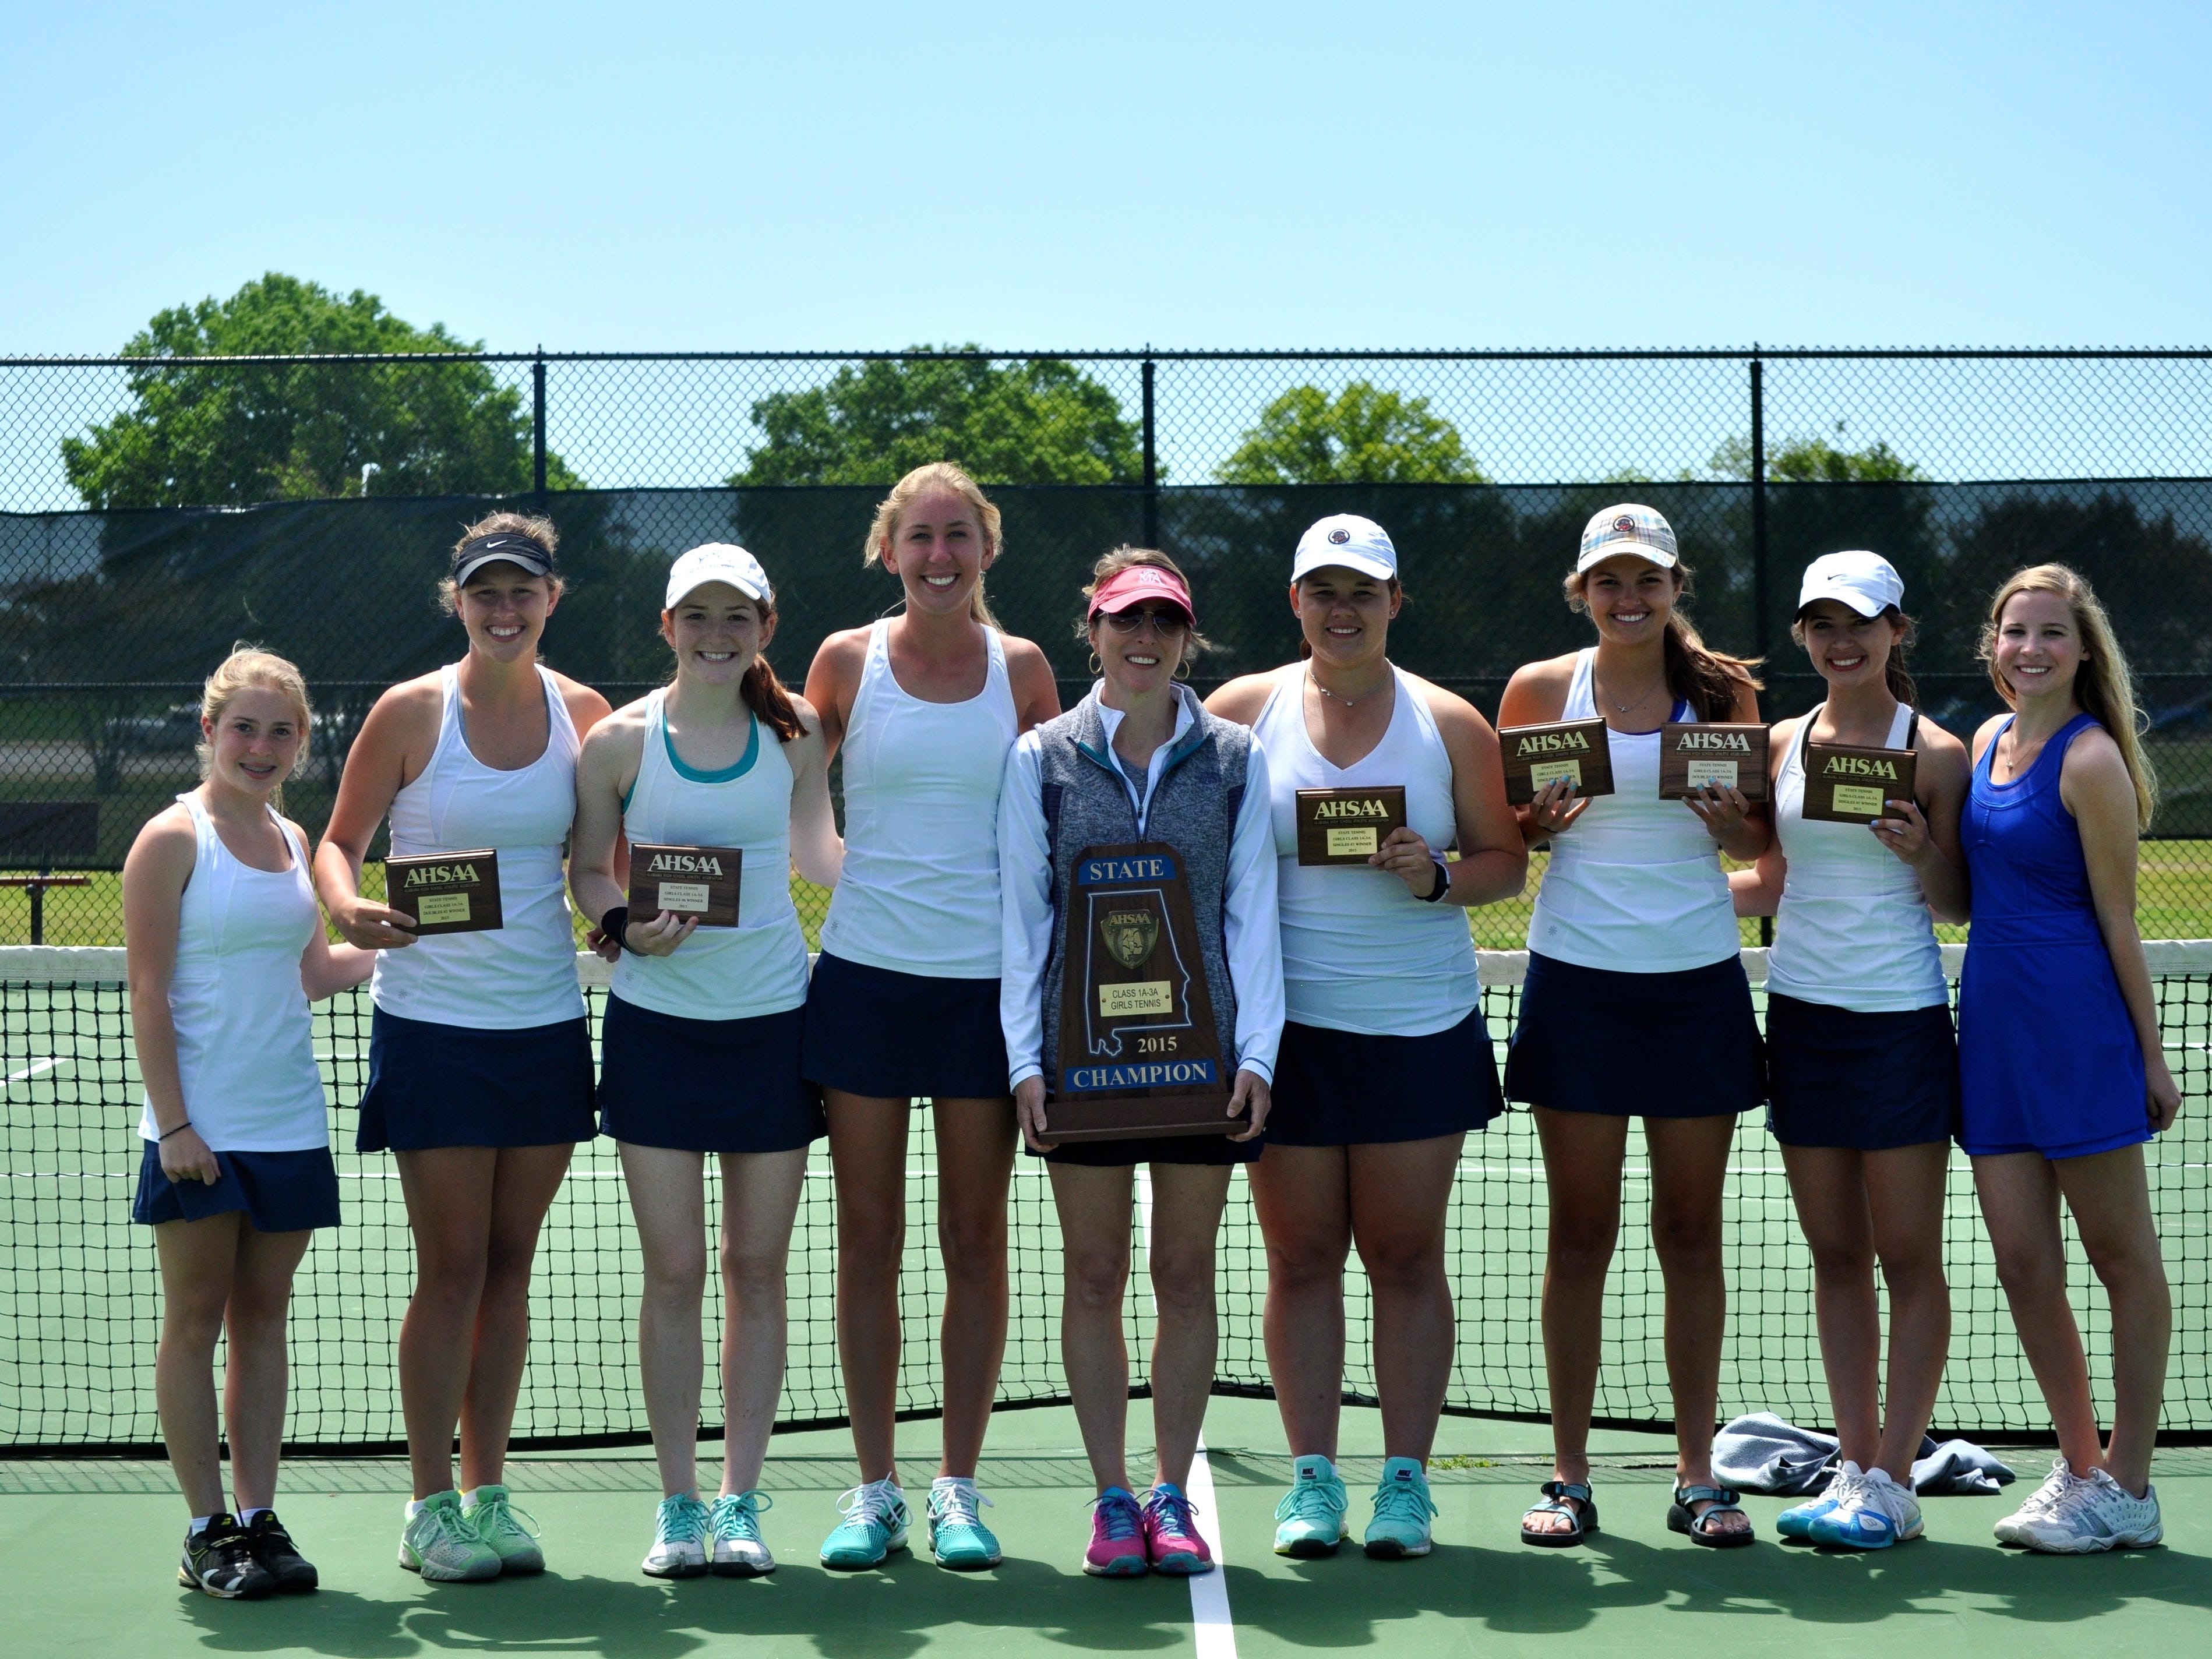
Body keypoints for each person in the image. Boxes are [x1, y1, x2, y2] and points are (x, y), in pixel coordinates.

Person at [1205, 515, 1524, 1560]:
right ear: (1294, 602)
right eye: (1322, 592)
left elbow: (1500, 863)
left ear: (1395, 604)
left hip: (1415, 1029)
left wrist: (1433, 873)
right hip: (1281, 1037)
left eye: (1363, 593)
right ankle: (1311, 1481)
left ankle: (1404, 1484)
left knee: (1402, 1254)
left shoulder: (1448, 722)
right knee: (1299, 1258)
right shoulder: (1239, 712)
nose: (1342, 611)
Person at [314, 514, 611, 1582]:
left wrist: (621, 918)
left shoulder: (585, 715)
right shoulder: (409, 713)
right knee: (450, 1271)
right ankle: (427, 1505)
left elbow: (596, 867)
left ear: (550, 599)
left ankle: (488, 1494)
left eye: (521, 592)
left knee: (510, 1271)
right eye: (485, 592)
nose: (503, 609)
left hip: (542, 1031)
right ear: (459, 603)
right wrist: (349, 908)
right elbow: (339, 845)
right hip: (432, 1030)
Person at [1001, 547, 1284, 1578]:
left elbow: (1250, 910)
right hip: (1079, 1067)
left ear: (1185, 637)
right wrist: (1025, 1062)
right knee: (1092, 1273)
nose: (1144, 639)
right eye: (1126, 620)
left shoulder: (1238, 757)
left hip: (1200, 1063)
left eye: (1164, 622)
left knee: (1181, 1272)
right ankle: (1112, 1497)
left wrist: (1256, 1052)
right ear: (1093, 629)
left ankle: (1171, 1492)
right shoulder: (1040, 758)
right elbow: (1022, 920)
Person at [798, 462, 1061, 1570]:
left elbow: (1066, 818)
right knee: (867, 1243)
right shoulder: (843, 662)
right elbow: (803, 815)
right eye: (919, 537)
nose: (939, 556)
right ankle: (873, 1489)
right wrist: (858, 880)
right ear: (888, 549)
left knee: (971, 1241)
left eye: (957, 536)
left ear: (986, 549)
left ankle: (955, 1484)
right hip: (863, 984)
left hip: (984, 1000)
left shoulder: (1027, 670)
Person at [569, 544, 843, 1579]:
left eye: (737, 616)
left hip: (774, 1026)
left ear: (765, 627)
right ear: (667, 625)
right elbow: (590, 869)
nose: (716, 633)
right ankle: (678, 1503)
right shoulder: (618, 741)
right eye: (698, 615)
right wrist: (623, 925)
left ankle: (740, 1500)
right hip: (656, 1032)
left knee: (756, 1269)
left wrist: (935, 887)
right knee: (675, 1269)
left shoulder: (797, 731)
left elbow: (820, 855)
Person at [1499, 504, 1769, 1549]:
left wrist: (1728, 822)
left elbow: (1756, 832)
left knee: (1690, 1234)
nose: (1627, 598)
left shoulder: (1722, 691)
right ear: (1581, 593)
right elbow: (1509, 833)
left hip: (1696, 983)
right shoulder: (1537, 689)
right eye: (1608, 582)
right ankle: (1567, 1477)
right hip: (1577, 982)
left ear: (1674, 587)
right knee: (1578, 1234)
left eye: (1646, 580)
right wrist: (1535, 823)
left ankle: (1697, 1474)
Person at [1728, 552, 1971, 1549]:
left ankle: (1891, 1481)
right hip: (1803, 1020)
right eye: (1822, 622)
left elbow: (1957, 901)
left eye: (1861, 621)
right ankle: (1855, 1464)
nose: (1842, 639)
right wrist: (1658, 889)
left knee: (1908, 1257)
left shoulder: (1937, 752)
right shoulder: (1782, 741)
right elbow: (1770, 879)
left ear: (1896, 631)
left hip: (1900, 1020)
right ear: (1801, 635)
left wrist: (1923, 853)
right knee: (1836, 1255)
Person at [124, 648, 375, 1598]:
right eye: (245, 727)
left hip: (288, 1121)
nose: (261, 747)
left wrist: (406, 945)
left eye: (281, 731)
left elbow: (313, 973)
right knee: (195, 1323)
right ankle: (203, 1527)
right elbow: (147, 990)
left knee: (264, 1321)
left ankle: (259, 1518)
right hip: (200, 1132)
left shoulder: (287, 836)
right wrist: (177, 1124)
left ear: (301, 741)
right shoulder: (170, 838)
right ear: (209, 731)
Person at [1959, 564, 2178, 1553]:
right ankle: (2079, 1467)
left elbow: (2120, 922)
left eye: (2052, 633)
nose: (2031, 649)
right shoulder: (1983, 744)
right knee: (2019, 1263)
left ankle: (2128, 1484)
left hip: (2078, 1036)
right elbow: (1965, 894)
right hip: (1994, 1039)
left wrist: (2149, 1055)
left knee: (2120, 1258)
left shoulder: (2090, 763)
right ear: (1993, 646)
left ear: (2082, 651)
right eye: (2016, 632)